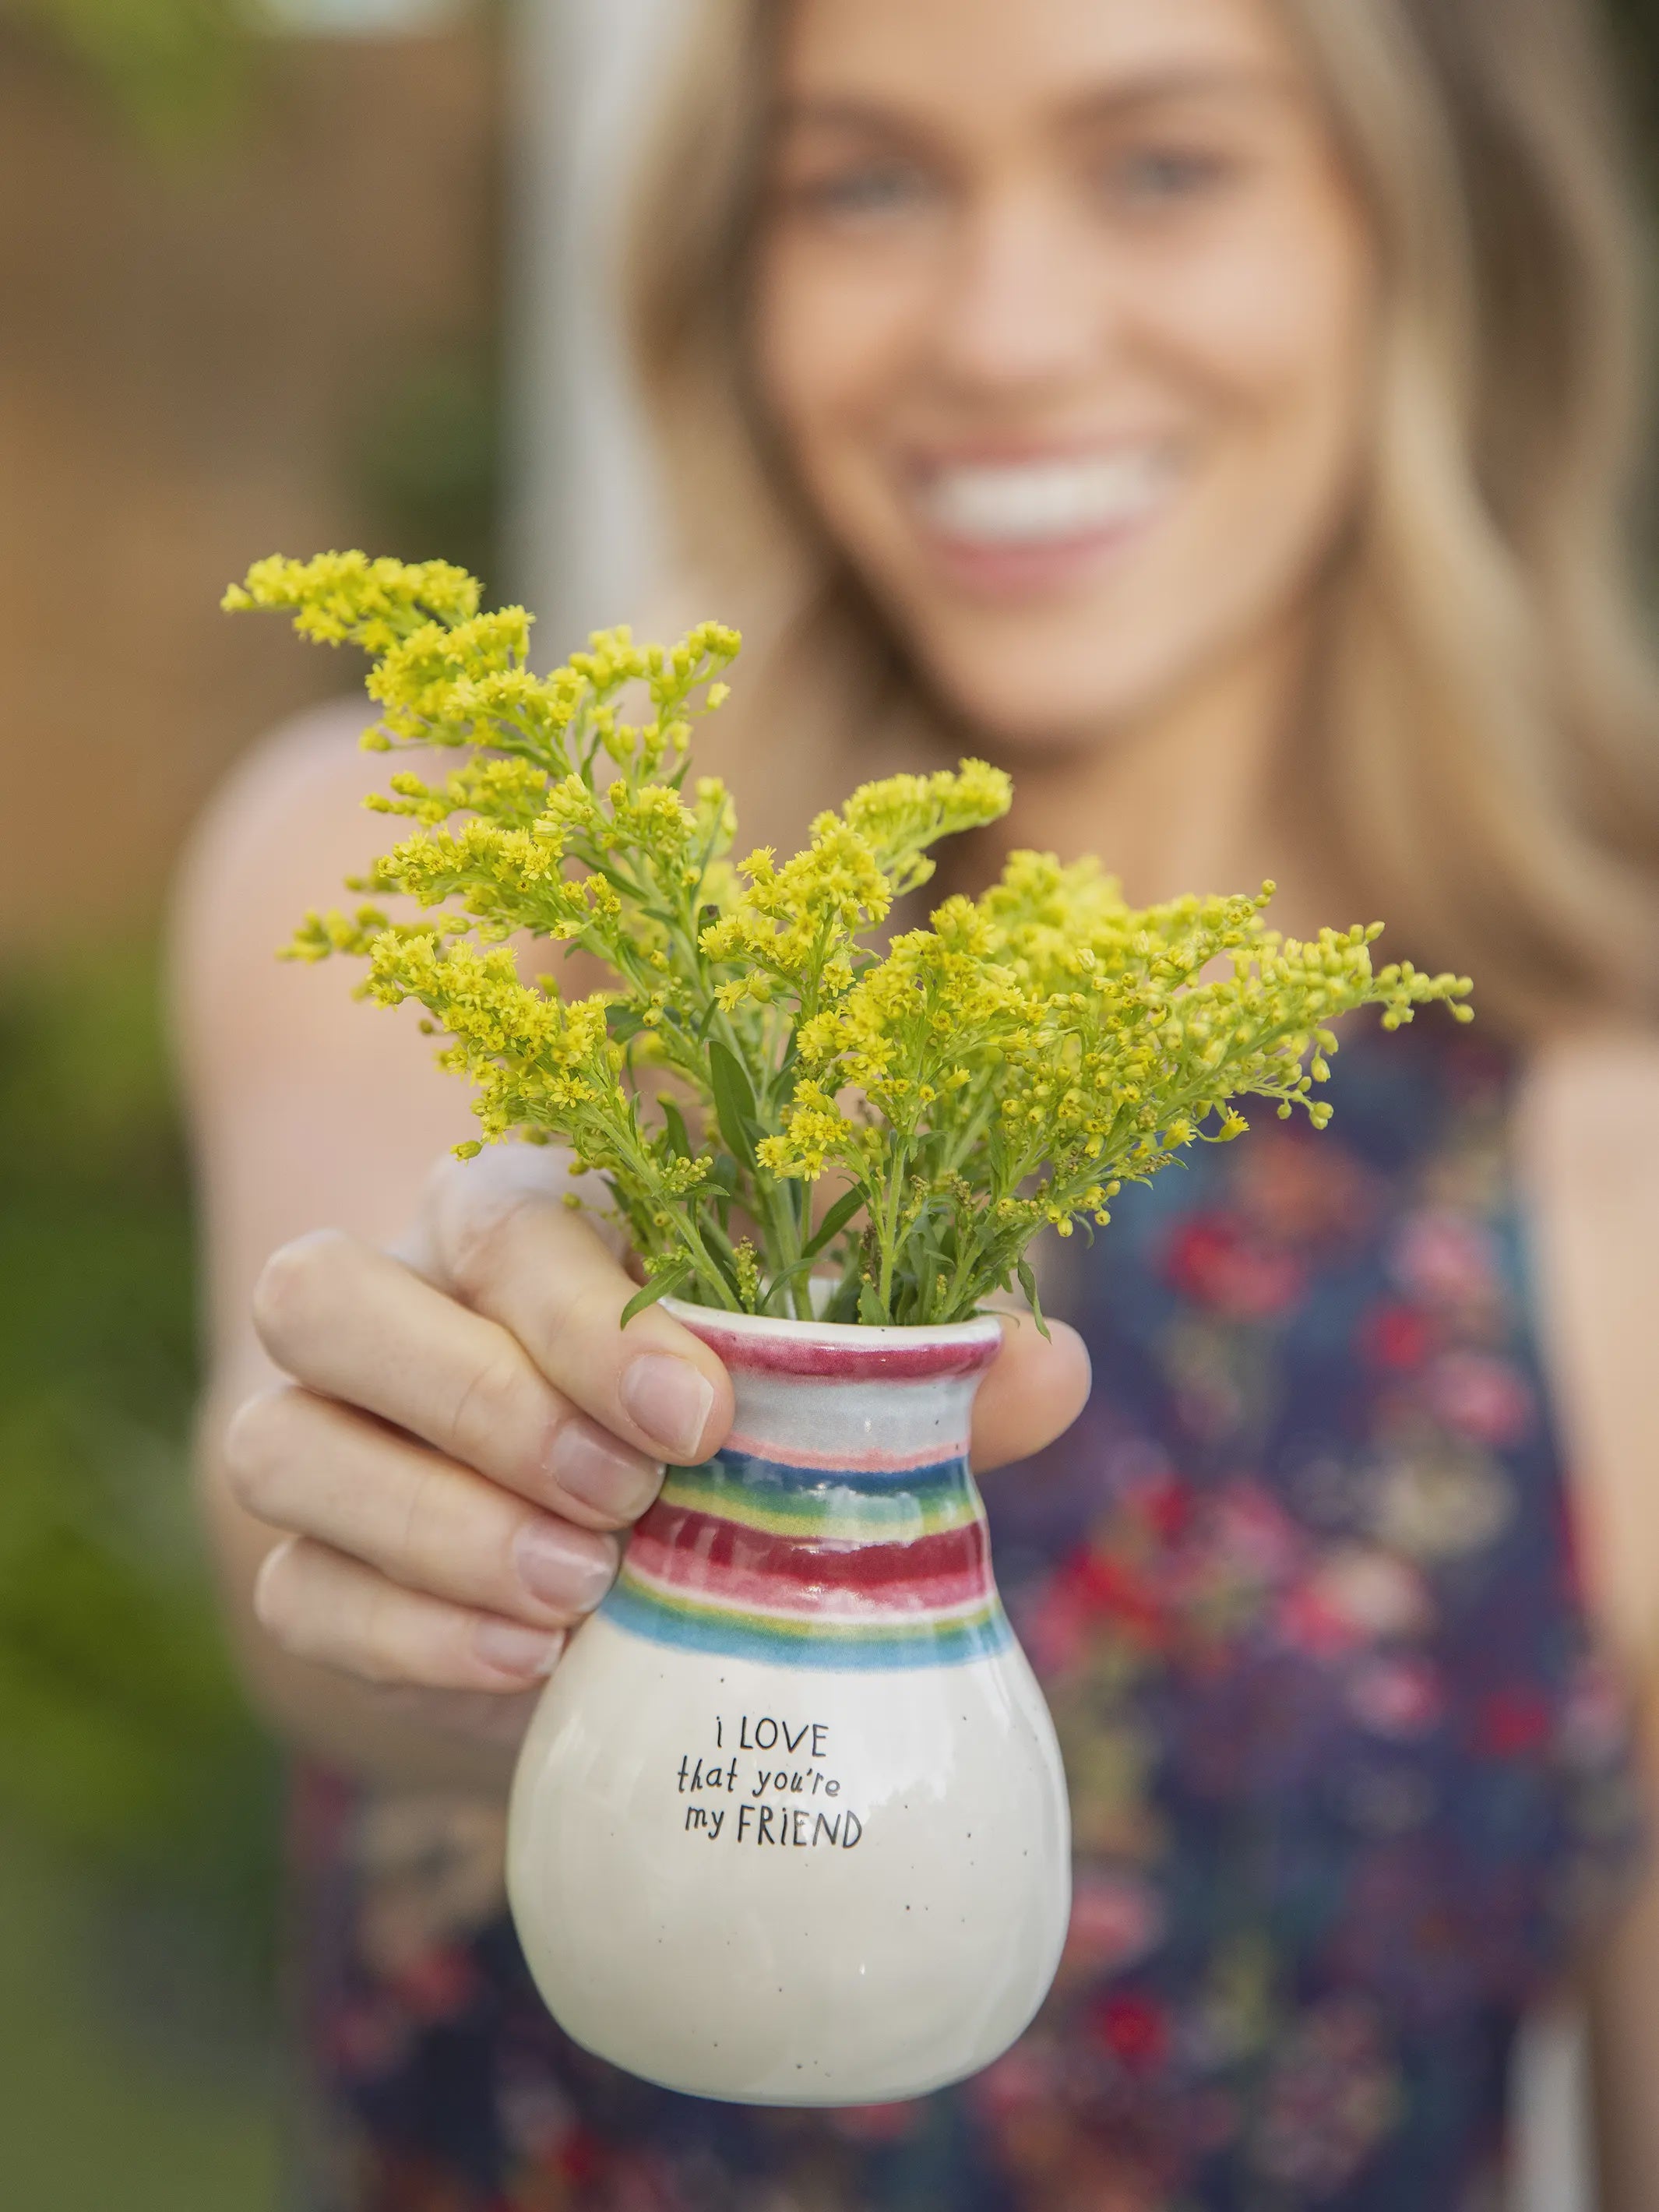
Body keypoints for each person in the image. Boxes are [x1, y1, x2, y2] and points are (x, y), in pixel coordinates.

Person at [176, 0, 1659, 2203]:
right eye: (865, 179)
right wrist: (465, 1531)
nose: (1000, 330)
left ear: (1430, 234)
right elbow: (297, 1547)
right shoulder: (457, 873)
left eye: (1161, 164)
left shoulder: (1603, 1109)